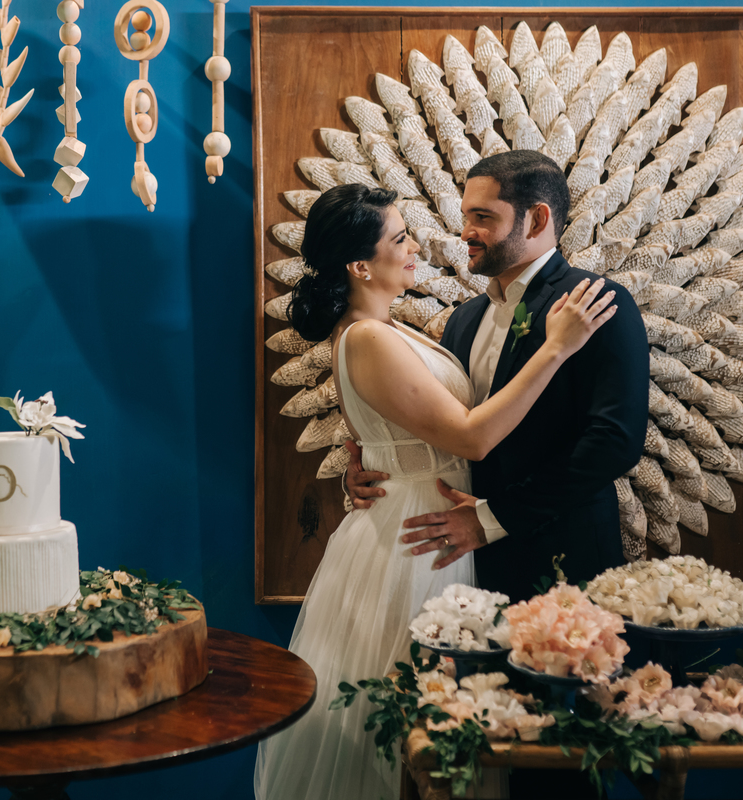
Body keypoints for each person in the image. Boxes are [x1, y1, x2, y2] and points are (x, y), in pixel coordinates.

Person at [253, 181, 616, 800]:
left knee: (429, 717)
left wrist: (369, 461)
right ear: (360, 265)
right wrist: (556, 348)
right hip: (417, 538)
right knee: (411, 719)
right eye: (401, 238)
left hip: (426, 520)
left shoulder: (387, 328)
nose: (416, 247)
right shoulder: (368, 336)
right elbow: (471, 438)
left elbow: (392, 430)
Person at [346, 149, 649, 604]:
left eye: (483, 217)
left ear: (537, 220)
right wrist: (372, 468)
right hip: (461, 562)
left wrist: (493, 520)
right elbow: (441, 423)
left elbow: (614, 442)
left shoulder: (595, 303)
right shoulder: (464, 319)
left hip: (561, 557)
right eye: (466, 216)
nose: (465, 232)